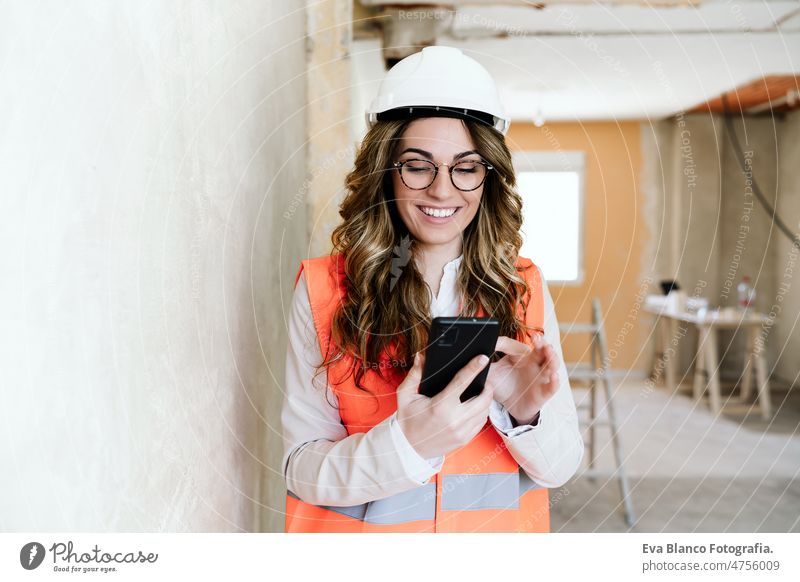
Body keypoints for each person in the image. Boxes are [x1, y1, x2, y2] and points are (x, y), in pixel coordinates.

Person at [281, 46, 583, 533]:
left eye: (465, 167)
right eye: (418, 165)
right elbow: (301, 467)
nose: (442, 191)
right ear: (385, 171)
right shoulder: (323, 290)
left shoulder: (522, 285)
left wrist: (525, 415)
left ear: (489, 176)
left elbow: (562, 466)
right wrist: (409, 444)